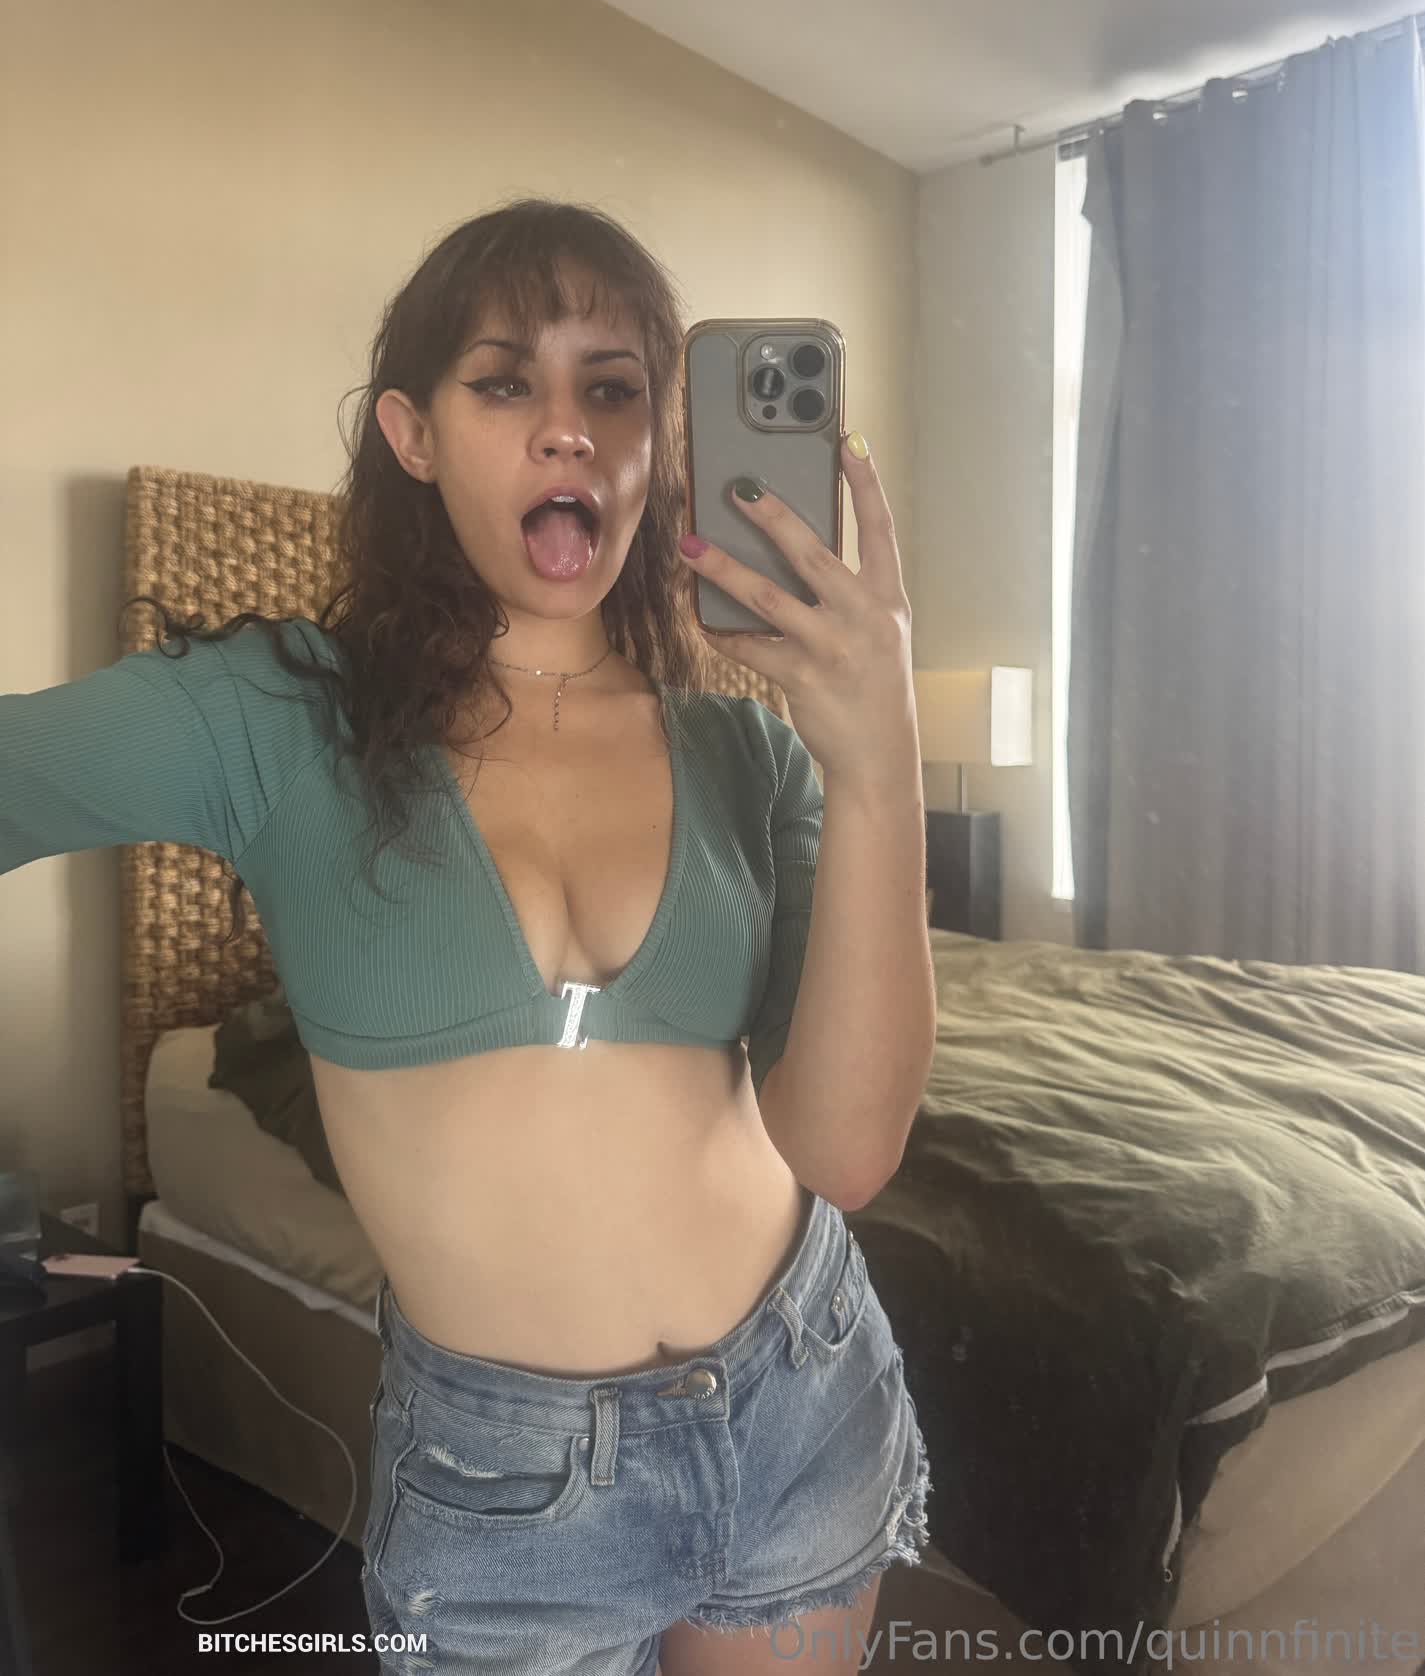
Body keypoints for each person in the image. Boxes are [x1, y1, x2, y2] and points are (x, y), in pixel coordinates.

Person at [1, 199, 937, 1674]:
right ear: (413, 433)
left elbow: (846, 1151)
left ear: (658, 446)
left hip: (800, 1394)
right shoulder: (275, 718)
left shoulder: (748, 756)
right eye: (504, 382)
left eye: (612, 388)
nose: (567, 429)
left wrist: (880, 763)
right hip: (510, 1495)